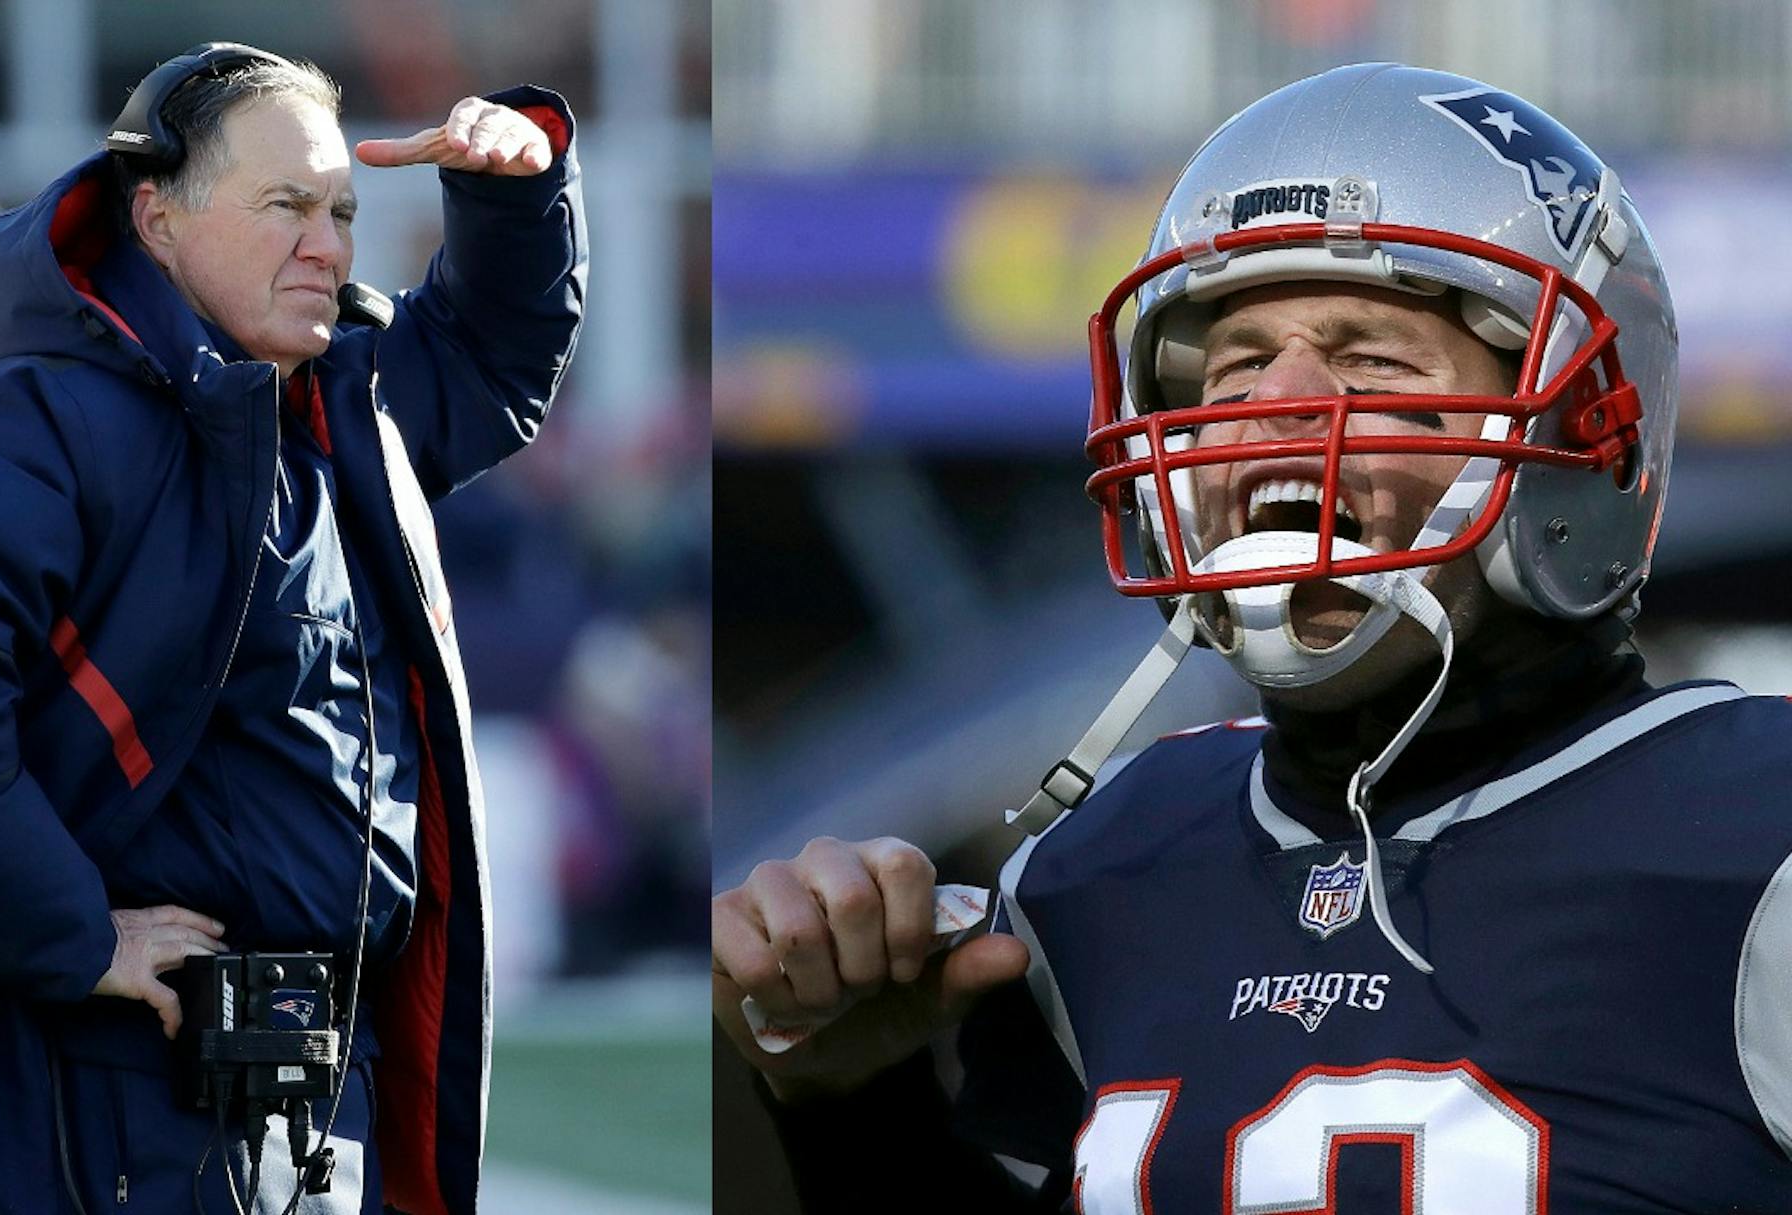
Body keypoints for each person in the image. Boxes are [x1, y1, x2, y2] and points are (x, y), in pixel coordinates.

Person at [714, 63, 1792, 1211]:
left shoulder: (1757, 838)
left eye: (1371, 355)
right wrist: (859, 1104)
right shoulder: (1097, 864)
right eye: (1231, 363)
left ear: (1589, 441)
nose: (1270, 405)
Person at [0, 43, 584, 1215]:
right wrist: (74, 934)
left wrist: (514, 187)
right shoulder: (43, 412)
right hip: (91, 1109)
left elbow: (491, 364)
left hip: (269, 1097)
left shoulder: (323, 397)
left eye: (340, 209)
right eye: (284, 205)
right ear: (157, 218)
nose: (328, 246)